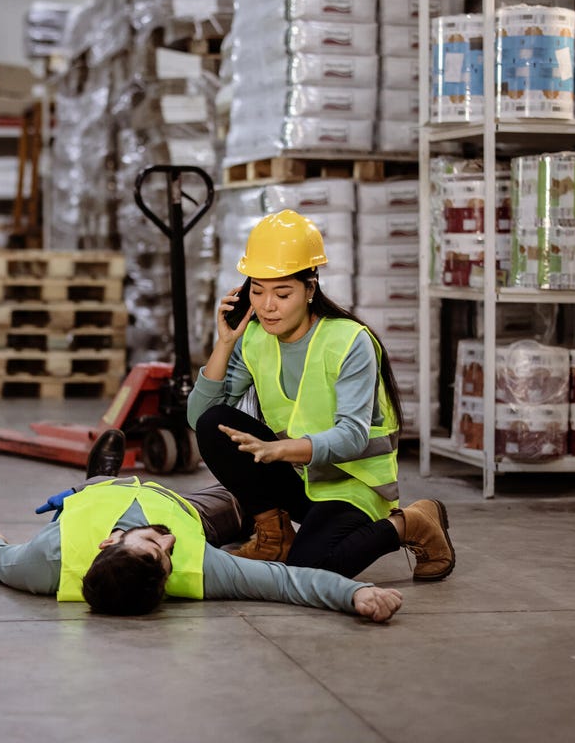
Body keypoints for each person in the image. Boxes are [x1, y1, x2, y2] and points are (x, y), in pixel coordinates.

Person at [187, 209, 455, 581]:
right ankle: (273, 535)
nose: (267, 306)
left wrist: (278, 450)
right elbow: (198, 418)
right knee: (213, 423)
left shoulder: (348, 342)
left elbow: (352, 436)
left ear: (310, 289)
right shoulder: (255, 339)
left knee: (313, 568)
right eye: (258, 290)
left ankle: (410, 522)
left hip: (354, 485)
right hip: (304, 477)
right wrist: (225, 344)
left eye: (282, 293)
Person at [0, 429, 404, 621]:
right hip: (184, 506)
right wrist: (356, 593)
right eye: (168, 557)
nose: (171, 542)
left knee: (98, 486)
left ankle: (98, 477)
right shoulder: (199, 567)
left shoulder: (42, 561)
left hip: (103, 497)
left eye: (153, 544)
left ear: (109, 543)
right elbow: (285, 582)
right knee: (240, 499)